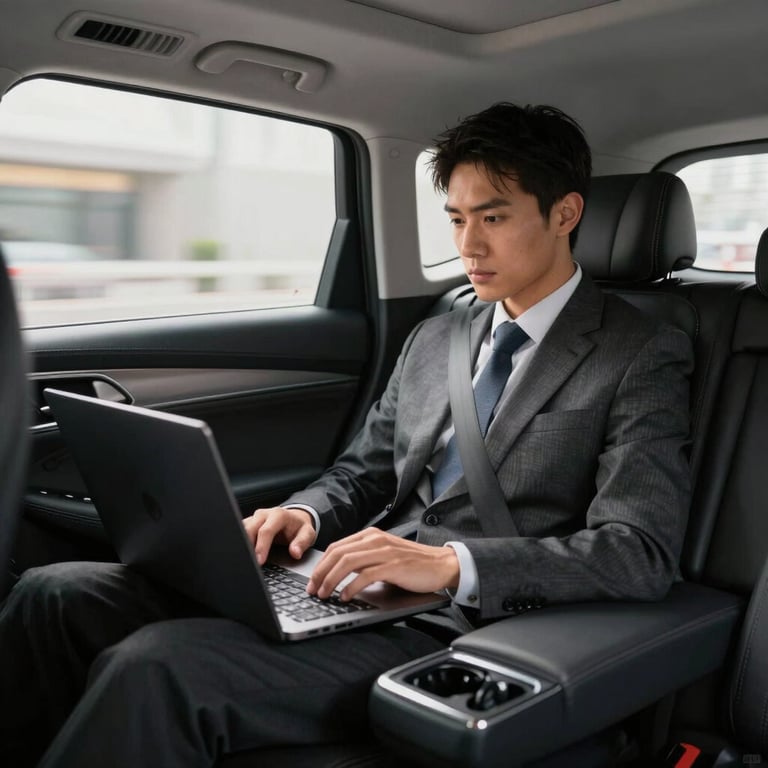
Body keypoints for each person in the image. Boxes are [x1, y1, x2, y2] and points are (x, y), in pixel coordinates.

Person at [0, 103, 693, 767]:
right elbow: (361, 474)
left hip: (458, 629)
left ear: (565, 213)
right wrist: (299, 515)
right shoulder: (438, 335)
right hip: (343, 583)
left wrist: (454, 564)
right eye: (455, 219)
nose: (468, 245)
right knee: (53, 593)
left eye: (494, 217)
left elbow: (639, 552)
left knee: (157, 666)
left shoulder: (639, 352)